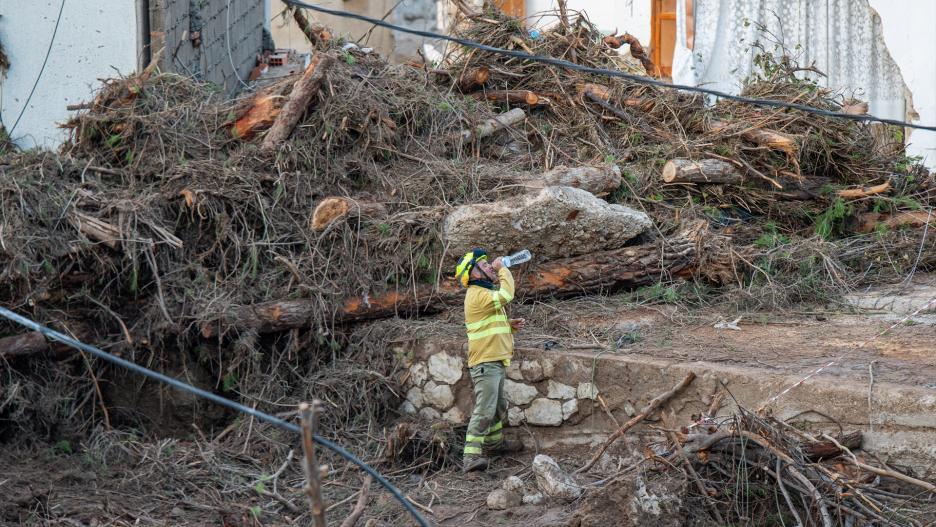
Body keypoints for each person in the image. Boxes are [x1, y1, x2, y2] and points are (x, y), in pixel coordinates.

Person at [454, 248, 526, 473]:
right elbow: (506, 295)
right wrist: (503, 269)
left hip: (493, 361)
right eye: (483, 265)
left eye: (488, 263)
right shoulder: (477, 294)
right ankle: (470, 456)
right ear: (473, 274)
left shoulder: (482, 294)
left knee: (498, 405)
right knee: (485, 409)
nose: (488, 266)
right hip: (486, 363)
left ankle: (494, 444)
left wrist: (507, 326)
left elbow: (487, 325)